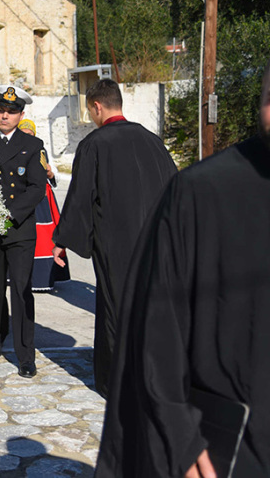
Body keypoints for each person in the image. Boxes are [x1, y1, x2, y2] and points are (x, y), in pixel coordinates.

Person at [96, 62, 270, 478]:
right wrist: (181, 435)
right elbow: (156, 330)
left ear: (95, 108)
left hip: (117, 245)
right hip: (236, 446)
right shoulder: (202, 190)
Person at [51, 78, 177, 397]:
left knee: (114, 307)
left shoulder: (95, 144)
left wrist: (63, 240)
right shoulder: (153, 141)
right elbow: (178, 190)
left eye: (91, 111)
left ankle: (117, 383)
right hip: (155, 240)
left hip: (115, 243)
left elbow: (80, 197)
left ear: (97, 106)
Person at [0, 85, 46, 378]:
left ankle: (26, 355)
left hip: (18, 229)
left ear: (20, 115)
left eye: (11, 112)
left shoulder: (33, 144)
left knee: (22, 291)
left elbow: (37, 188)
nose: (5, 115)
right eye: (1, 110)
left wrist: (6, 215)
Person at [16, 119, 70, 292]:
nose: (27, 138)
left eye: (30, 135)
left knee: (45, 236)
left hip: (43, 200)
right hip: (22, 197)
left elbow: (55, 177)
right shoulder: (14, 150)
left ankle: (44, 277)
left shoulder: (41, 151)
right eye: (23, 135)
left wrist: (49, 172)